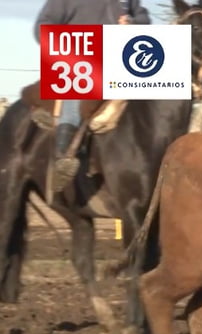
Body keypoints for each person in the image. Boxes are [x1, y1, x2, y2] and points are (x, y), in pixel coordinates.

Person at [33, 0, 151, 193]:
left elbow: (143, 19)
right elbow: (43, 26)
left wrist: (132, 24)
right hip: (79, 58)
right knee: (75, 100)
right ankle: (64, 159)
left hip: (120, 58)